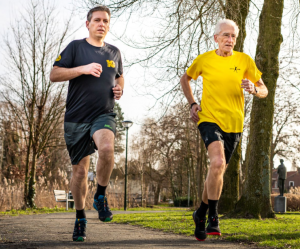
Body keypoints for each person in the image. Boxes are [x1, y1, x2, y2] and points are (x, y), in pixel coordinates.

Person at [180, 19, 268, 241]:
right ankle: (213, 216)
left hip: (235, 125)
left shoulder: (244, 60)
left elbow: (264, 89)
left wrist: (255, 89)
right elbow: (185, 79)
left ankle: (200, 213)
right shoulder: (204, 60)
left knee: (216, 172)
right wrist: (192, 103)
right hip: (209, 118)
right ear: (215, 38)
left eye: (233, 37)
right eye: (226, 35)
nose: (230, 40)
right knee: (217, 163)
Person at [50, 6, 124, 242]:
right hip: (76, 118)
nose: (101, 24)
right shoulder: (75, 47)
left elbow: (119, 75)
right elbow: (54, 74)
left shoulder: (114, 52)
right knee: (80, 171)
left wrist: (121, 88)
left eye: (105, 21)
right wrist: (82, 69)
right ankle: (80, 217)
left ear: (108, 25)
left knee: (107, 149)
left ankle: (100, 196)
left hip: (103, 114)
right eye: (97, 20)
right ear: (88, 24)